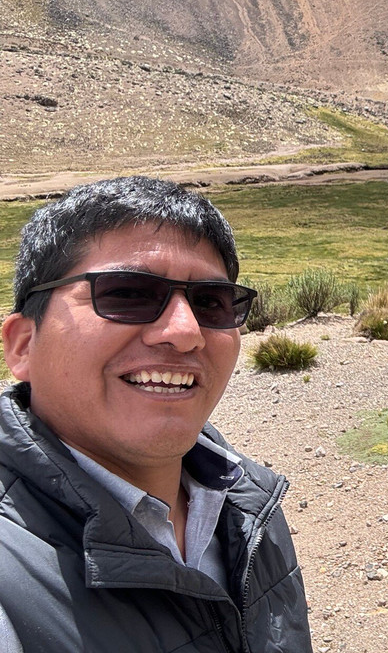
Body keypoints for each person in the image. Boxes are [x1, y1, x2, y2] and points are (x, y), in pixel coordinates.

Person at [0, 176, 311, 652]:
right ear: (23, 345)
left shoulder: (247, 504)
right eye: (127, 293)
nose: (186, 331)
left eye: (211, 302)